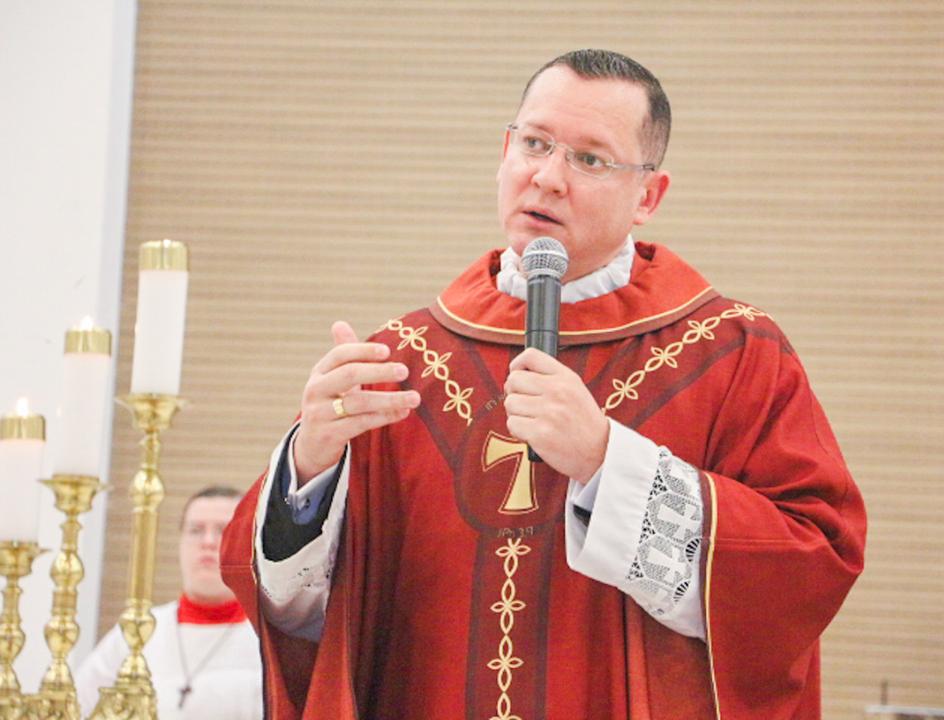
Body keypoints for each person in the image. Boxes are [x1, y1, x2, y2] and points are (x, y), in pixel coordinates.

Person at [221, 49, 867, 720]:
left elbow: (810, 569)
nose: (548, 177)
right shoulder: (400, 364)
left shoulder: (732, 355)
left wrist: (606, 462)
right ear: (505, 152)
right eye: (534, 144)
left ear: (648, 196)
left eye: (590, 159)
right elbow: (306, 620)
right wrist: (310, 467)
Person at [77, 486, 262, 719]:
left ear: (250, 545)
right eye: (196, 530)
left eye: (223, 531)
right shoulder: (138, 630)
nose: (208, 542)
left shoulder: (270, 639)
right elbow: (77, 708)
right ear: (180, 542)